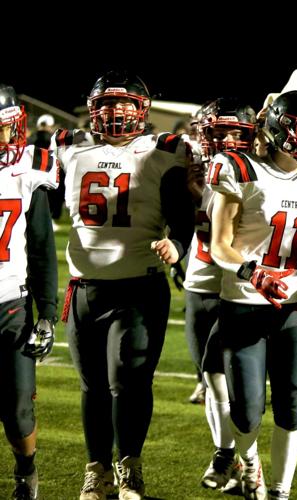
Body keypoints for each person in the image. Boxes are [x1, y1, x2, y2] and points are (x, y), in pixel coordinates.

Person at [52, 70, 197, 500]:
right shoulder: (69, 146)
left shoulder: (162, 151)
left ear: (142, 111)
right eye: (108, 105)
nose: (116, 113)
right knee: (92, 387)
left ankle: (129, 466)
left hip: (138, 285)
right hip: (84, 288)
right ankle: (96, 471)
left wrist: (177, 244)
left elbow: (182, 214)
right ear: (93, 110)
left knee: (129, 383)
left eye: (125, 105)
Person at [208, 90, 297, 500]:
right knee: (246, 410)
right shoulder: (238, 168)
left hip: (294, 307)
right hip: (245, 302)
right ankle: (248, 462)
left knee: (292, 402)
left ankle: (278, 492)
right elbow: (220, 243)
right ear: (280, 128)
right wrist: (251, 271)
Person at [182, 97, 259, 492]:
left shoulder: (259, 169)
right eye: (219, 131)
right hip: (201, 280)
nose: (228, 138)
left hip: (243, 285)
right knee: (212, 380)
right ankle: (226, 453)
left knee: (242, 383)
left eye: (236, 132)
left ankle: (241, 458)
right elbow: (174, 222)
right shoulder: (190, 166)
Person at [0, 84, 59, 500]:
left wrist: (47, 312)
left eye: (7, 128)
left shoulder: (27, 169)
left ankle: (26, 472)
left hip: (11, 305)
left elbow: (40, 245)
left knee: (18, 409)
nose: (5, 139)